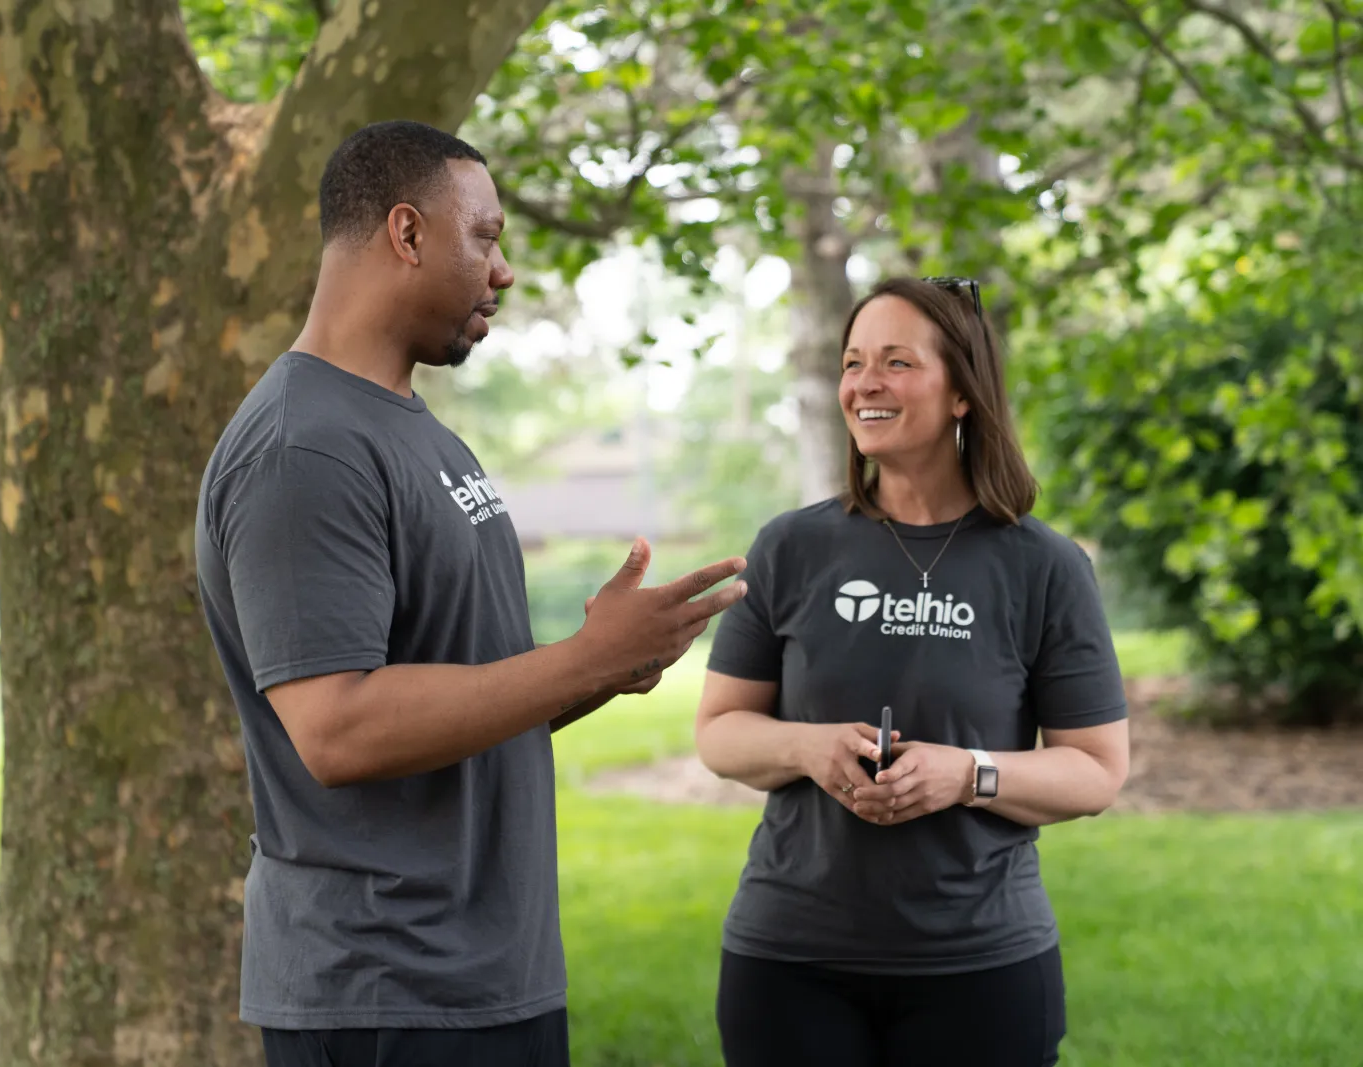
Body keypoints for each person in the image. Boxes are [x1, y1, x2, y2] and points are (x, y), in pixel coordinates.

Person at [193, 119, 747, 1067]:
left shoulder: (414, 431)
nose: (505, 271)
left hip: (483, 977)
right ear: (407, 234)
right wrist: (581, 657)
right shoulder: (305, 448)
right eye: (485, 236)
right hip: (384, 990)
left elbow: (465, 695)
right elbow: (338, 727)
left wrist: (599, 672)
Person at [694, 276, 1130, 1067]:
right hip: (789, 962)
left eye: (896, 362)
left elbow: (1097, 770)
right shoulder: (791, 547)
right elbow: (720, 733)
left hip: (983, 965)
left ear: (962, 391)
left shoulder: (1045, 566)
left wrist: (969, 774)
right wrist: (806, 748)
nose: (865, 383)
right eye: (854, 362)